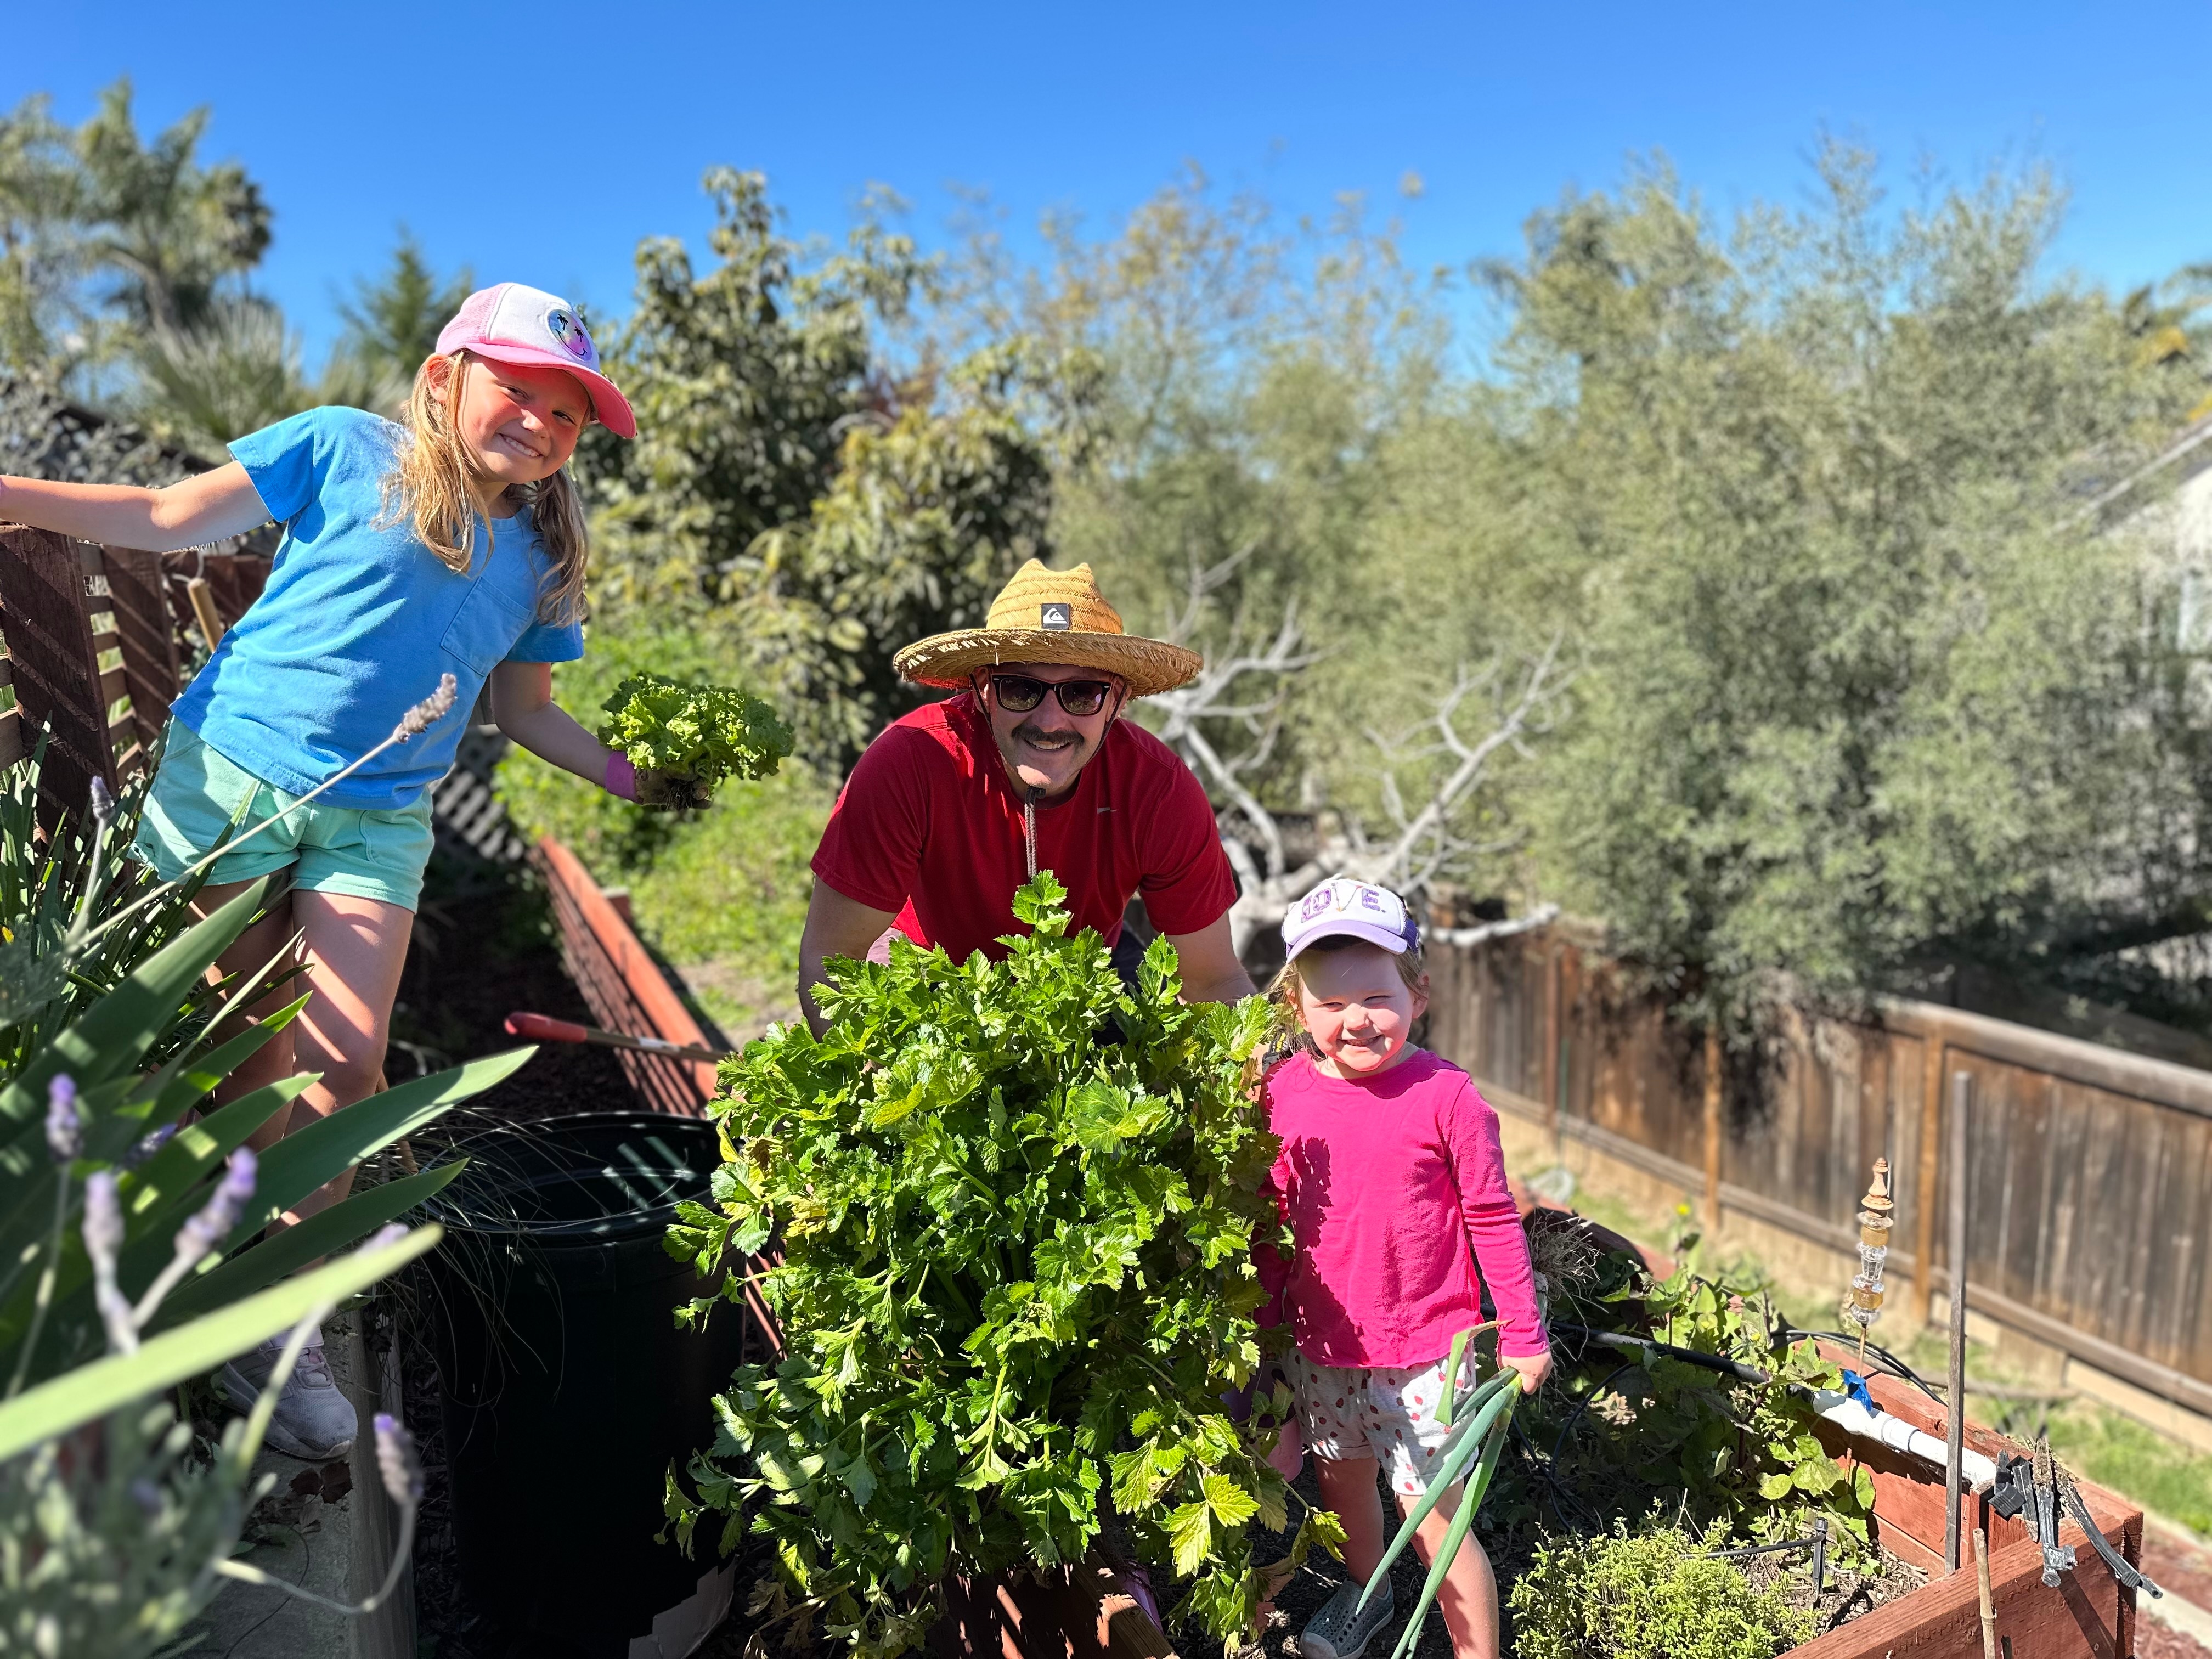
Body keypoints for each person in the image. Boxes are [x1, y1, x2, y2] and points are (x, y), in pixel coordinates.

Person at [0, 283, 653, 1459]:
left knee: (344, 1060)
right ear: (448, 375)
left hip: (382, 818)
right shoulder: (341, 447)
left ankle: (281, 1320)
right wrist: (13, 495)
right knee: (248, 1059)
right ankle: (225, 1304)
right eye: (522, 392)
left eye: (569, 417)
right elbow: (164, 515)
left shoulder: (542, 558)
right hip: (232, 781)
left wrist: (628, 777)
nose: (543, 427)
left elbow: (527, 712)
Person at [1258, 876, 1553, 1659]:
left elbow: (1492, 1216)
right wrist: (1259, 1338)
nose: (1356, 1020)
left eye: (1376, 997)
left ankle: (1475, 1651)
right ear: (1298, 1012)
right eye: (1331, 1004)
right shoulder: (1282, 1095)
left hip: (1427, 1350)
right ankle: (1371, 1594)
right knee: (1342, 1486)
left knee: (1432, 1514)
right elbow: (1265, 1230)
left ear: (1417, 994)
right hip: (1321, 1349)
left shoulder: (1446, 1096)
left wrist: (1523, 1331)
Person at [799, 558, 1254, 1030]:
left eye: (1081, 694)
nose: (1050, 721)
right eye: (1020, 689)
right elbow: (833, 957)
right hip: (926, 964)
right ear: (981, 691)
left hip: (1088, 972)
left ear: (1116, 700)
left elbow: (1213, 983)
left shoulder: (1157, 789)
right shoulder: (911, 761)